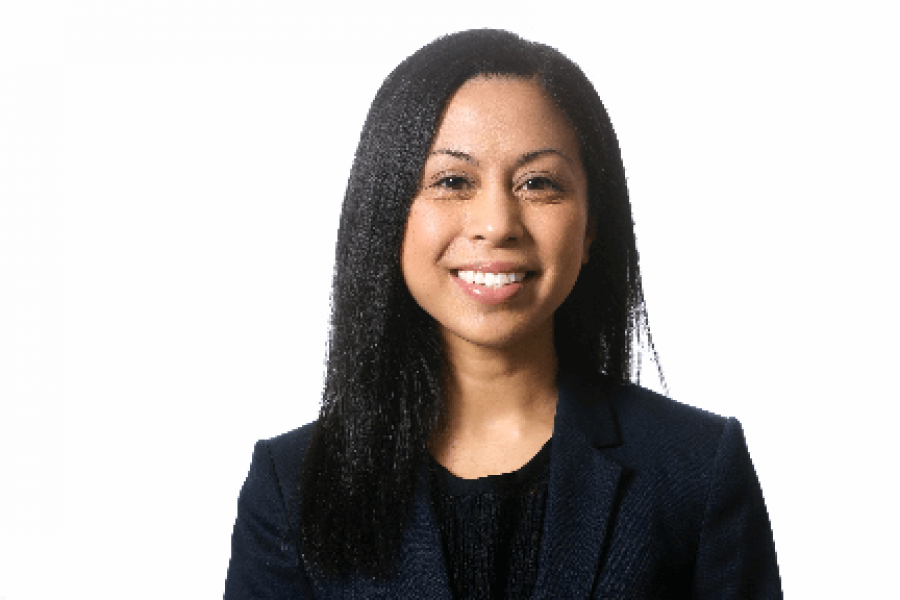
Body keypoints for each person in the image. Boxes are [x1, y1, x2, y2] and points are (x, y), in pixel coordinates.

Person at [223, 29, 782, 599]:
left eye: (538, 183)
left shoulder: (697, 466)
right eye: (452, 181)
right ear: (387, 212)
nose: (496, 224)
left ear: (591, 227)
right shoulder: (291, 486)